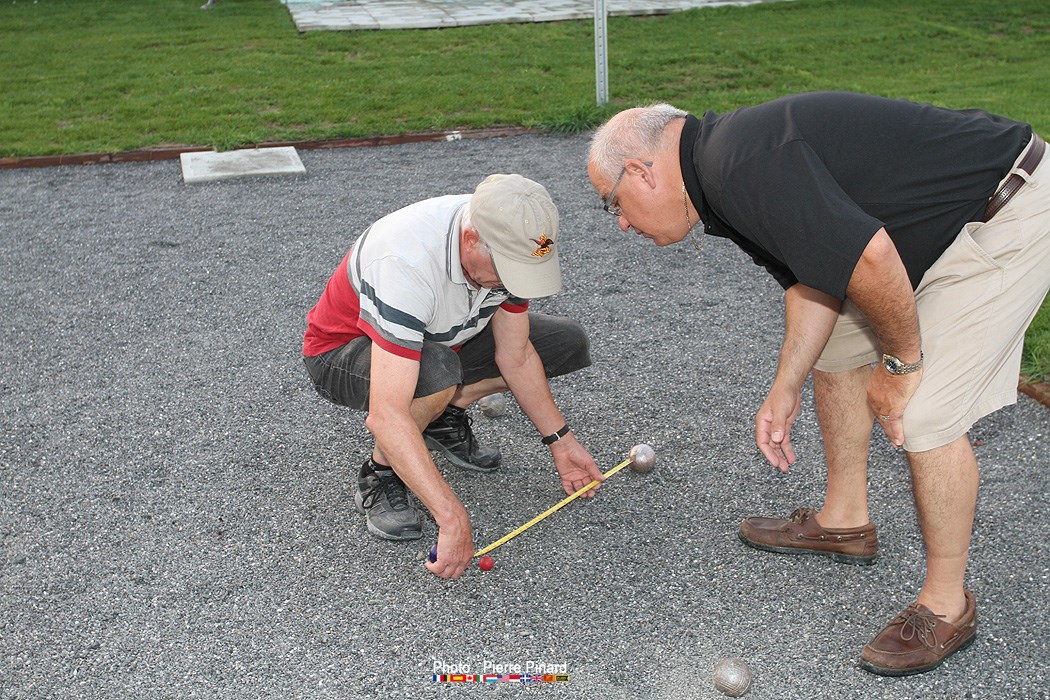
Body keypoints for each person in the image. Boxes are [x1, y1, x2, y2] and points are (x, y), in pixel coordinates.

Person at [587, 92, 1049, 676]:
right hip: (931, 228)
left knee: (925, 410)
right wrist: (786, 384)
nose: (622, 223)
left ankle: (946, 605)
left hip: (1008, 208)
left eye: (614, 205)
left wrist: (902, 366)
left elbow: (873, 260)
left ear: (640, 171)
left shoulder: (741, 168)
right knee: (838, 347)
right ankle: (844, 520)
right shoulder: (715, 174)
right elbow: (818, 277)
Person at [302, 174, 604, 580]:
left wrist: (561, 441)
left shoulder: (514, 236)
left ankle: (442, 416)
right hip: (343, 352)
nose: (511, 283)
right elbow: (386, 414)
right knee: (437, 371)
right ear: (471, 238)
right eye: (507, 269)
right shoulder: (405, 260)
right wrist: (451, 517)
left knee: (563, 342)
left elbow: (515, 357)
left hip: (442, 342)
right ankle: (380, 472)